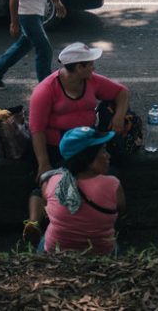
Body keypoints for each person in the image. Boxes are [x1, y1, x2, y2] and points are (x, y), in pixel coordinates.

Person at [23, 43, 129, 243]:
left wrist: (119, 116)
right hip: (56, 147)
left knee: (104, 173)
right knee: (49, 181)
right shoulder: (45, 90)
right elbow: (37, 129)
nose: (93, 68)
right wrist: (43, 162)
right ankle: (34, 223)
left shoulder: (93, 81)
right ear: (78, 68)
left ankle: (103, 221)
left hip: (86, 143)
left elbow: (122, 92)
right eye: (89, 65)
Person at [40, 126, 126, 255]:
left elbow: (47, 206)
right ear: (88, 160)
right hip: (101, 252)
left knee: (45, 238)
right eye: (103, 151)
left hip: (56, 252)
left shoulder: (51, 181)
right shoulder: (113, 185)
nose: (108, 156)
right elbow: (121, 211)